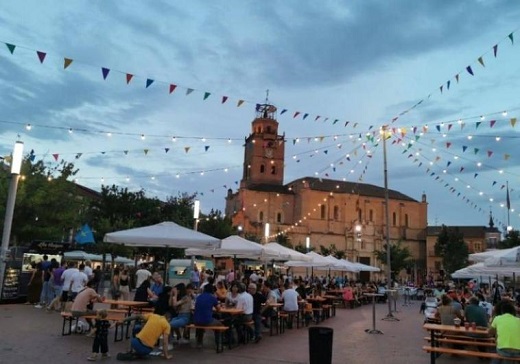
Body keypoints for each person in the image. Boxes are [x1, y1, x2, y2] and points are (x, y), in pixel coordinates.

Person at [193, 283, 223, 348]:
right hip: (207, 321)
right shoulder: (212, 298)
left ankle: (199, 343)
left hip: (196, 321)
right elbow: (219, 309)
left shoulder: (199, 297)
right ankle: (219, 343)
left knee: (201, 324)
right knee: (220, 324)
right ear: (212, 290)